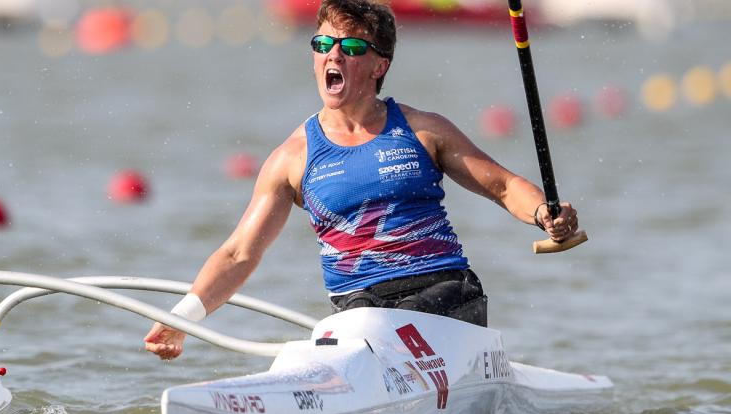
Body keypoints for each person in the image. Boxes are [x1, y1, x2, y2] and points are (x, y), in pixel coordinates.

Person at [144, 0, 579, 360]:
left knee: (365, 332)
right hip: (360, 310)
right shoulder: (291, 159)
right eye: (323, 44)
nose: (333, 54)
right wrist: (181, 319)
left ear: (378, 65)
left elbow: (504, 187)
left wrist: (544, 212)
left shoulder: (424, 131)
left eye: (350, 45)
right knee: (354, 328)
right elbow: (239, 253)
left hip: (446, 296)